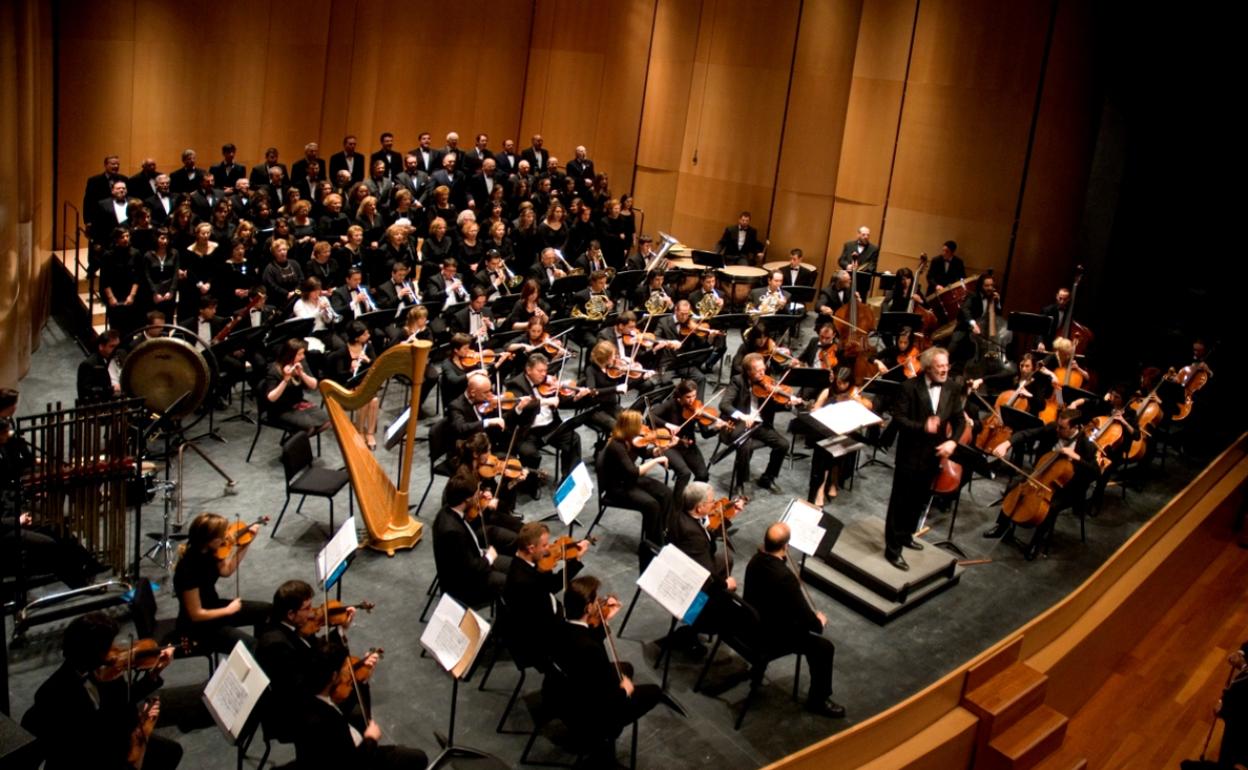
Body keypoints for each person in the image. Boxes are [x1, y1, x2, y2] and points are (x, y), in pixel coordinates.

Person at [542, 575, 683, 768]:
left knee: (627, 668)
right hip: (589, 712)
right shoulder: (590, 650)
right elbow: (604, 696)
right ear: (588, 608)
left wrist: (605, 620)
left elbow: (583, 637)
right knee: (653, 692)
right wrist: (624, 690)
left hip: (561, 693)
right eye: (595, 601)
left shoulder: (559, 626)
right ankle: (605, 744)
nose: (598, 603)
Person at [22, 612, 183, 770]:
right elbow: (96, 739)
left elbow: (118, 704)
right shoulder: (55, 694)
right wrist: (142, 729)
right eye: (108, 647)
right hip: (89, 757)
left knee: (172, 751)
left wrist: (154, 673)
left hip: (107, 739)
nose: (115, 652)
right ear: (91, 653)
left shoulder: (101, 669)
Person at [883, 347, 976, 571]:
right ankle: (892, 550)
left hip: (935, 455)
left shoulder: (952, 387)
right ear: (927, 368)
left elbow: (959, 420)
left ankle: (906, 536)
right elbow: (899, 419)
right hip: (910, 453)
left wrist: (953, 441)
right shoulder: (908, 387)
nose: (944, 370)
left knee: (919, 499)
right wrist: (922, 426)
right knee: (901, 502)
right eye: (939, 367)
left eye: (946, 365)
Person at [744, 522, 845, 718]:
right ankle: (818, 700)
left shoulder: (755, 561)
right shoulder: (784, 577)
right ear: (785, 546)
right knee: (824, 648)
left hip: (748, 628)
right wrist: (818, 622)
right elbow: (805, 618)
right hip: (769, 638)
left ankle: (757, 673)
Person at [982, 408, 1100, 559]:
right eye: (1058, 425)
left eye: (1062, 428)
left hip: (1068, 486)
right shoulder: (1053, 429)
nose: (1057, 429)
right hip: (1042, 474)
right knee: (1014, 485)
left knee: (1051, 507)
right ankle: (1002, 527)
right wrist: (1007, 444)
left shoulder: (1085, 444)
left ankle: (1035, 544)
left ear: (1074, 428)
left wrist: (1077, 458)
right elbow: (1026, 434)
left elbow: (1095, 472)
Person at [295, 640, 428, 769]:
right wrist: (371, 739)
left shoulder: (314, 694)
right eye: (344, 668)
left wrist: (364, 675)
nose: (348, 670)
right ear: (334, 676)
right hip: (359, 756)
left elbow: (355, 698)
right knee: (418, 758)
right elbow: (352, 762)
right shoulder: (323, 721)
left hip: (353, 746)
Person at [173, 512, 272, 652]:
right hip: (199, 627)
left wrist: (247, 543)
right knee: (252, 646)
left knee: (266, 611)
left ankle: (265, 652)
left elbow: (227, 570)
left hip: (214, 607)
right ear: (208, 540)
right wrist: (228, 610)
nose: (227, 537)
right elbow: (196, 614)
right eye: (222, 535)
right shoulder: (188, 570)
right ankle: (260, 656)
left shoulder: (211, 552)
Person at [503, 521, 590, 669]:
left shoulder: (523, 563)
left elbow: (548, 585)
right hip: (540, 637)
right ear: (531, 548)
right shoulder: (524, 582)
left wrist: (576, 559)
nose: (549, 548)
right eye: (544, 546)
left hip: (541, 616)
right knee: (587, 633)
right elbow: (550, 590)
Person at [666, 482, 740, 654]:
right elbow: (706, 575)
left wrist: (727, 518)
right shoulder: (694, 537)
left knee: (726, 558)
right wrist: (725, 585)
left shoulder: (680, 514)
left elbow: (708, 536)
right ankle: (697, 624)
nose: (715, 504)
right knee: (726, 592)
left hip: (683, 561)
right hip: (689, 578)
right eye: (712, 502)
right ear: (699, 508)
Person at [720, 352, 801, 495]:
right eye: (758, 371)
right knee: (745, 446)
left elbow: (776, 405)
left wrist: (789, 404)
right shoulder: (737, 381)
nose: (762, 374)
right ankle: (741, 483)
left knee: (783, 445)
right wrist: (743, 416)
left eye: (763, 369)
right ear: (748, 371)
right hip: (739, 424)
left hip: (760, 424)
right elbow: (724, 405)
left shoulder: (767, 382)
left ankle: (768, 478)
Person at [595, 410, 672, 550]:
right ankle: (653, 544)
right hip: (617, 487)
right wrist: (658, 460)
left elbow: (644, 453)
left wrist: (656, 451)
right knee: (652, 505)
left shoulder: (632, 439)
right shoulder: (616, 445)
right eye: (639, 424)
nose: (642, 426)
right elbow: (633, 472)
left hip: (628, 481)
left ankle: (663, 531)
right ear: (629, 427)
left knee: (666, 493)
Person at [432, 472, 511, 607]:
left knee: (515, 566)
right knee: (512, 584)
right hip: (466, 586)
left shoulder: (448, 510)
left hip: (476, 560)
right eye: (476, 494)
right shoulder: (452, 532)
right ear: (467, 500)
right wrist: (489, 558)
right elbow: (470, 569)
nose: (479, 497)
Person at [650, 379, 728, 506]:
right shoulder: (671, 404)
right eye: (688, 397)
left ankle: (690, 500)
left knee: (703, 475)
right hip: (670, 445)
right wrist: (668, 424)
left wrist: (717, 428)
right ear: (680, 396)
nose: (692, 400)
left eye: (694, 396)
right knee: (684, 473)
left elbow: (705, 434)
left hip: (687, 444)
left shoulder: (697, 408)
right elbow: (650, 416)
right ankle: (675, 506)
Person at [506, 353, 584, 480]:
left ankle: (568, 479)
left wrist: (575, 396)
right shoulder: (516, 384)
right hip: (528, 431)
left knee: (573, 439)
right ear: (528, 370)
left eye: (545, 370)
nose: (544, 374)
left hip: (551, 426)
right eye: (540, 371)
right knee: (530, 454)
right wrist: (545, 401)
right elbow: (524, 404)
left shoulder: (547, 381)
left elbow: (561, 402)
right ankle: (532, 483)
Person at [77, 329, 122, 402]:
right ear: (101, 346)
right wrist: (111, 389)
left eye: (117, 346)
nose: (116, 350)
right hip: (100, 406)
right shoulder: (88, 365)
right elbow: (86, 391)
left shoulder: (120, 357)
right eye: (112, 346)